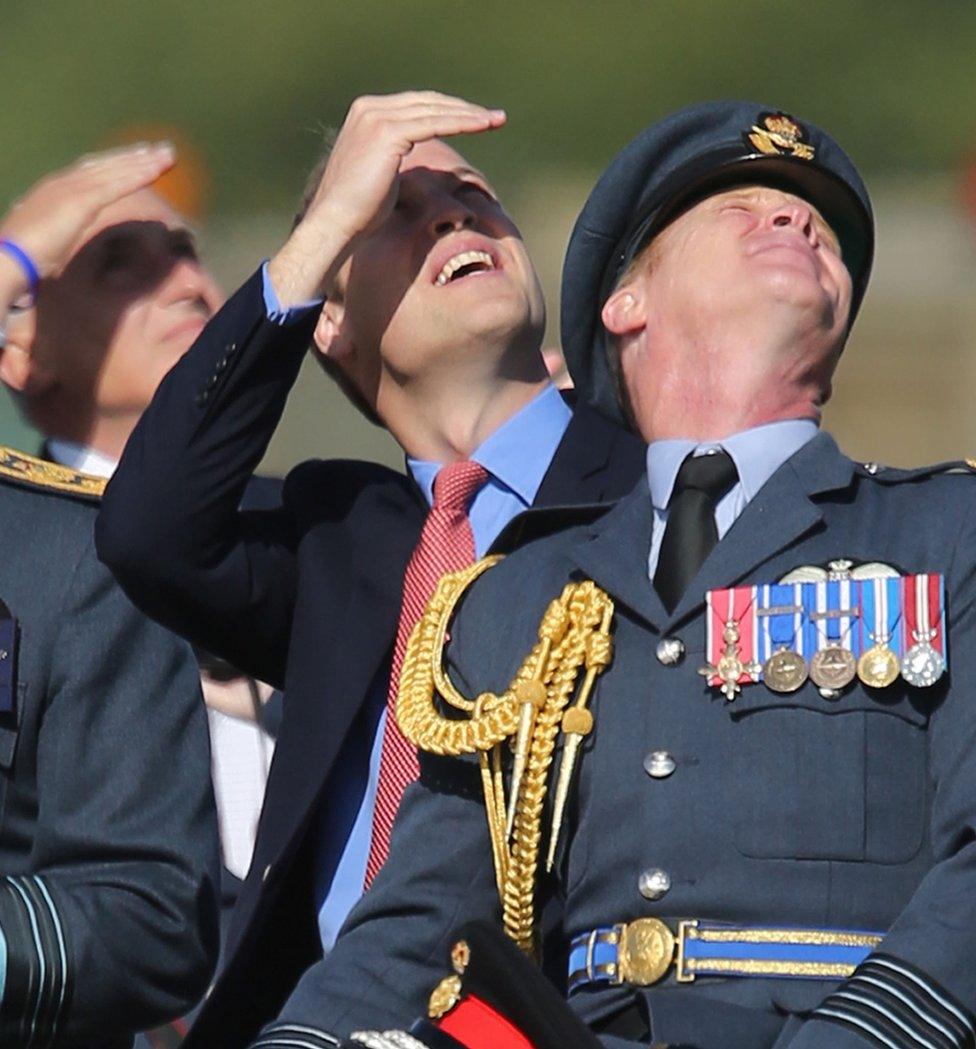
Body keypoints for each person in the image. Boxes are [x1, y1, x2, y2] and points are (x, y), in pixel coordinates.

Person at [241, 101, 976, 1049]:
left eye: (820, 225)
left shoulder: (946, 534)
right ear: (627, 303)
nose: (797, 220)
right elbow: (414, 932)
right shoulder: (516, 598)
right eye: (741, 208)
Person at [95, 91, 645, 1047]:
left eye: (475, 194)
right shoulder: (338, 536)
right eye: (391, 208)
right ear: (332, 325)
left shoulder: (650, 489)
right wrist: (315, 238)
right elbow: (147, 529)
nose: (453, 213)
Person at [0, 149, 280, 1044]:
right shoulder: (30, 561)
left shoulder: (326, 536)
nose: (186, 280)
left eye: (188, 250)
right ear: (19, 352)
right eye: (119, 264)